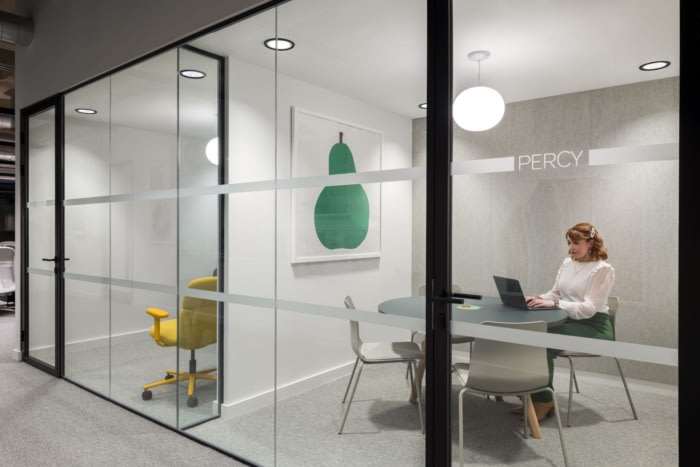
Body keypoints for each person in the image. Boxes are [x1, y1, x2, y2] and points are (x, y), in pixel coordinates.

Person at [516, 222, 616, 421]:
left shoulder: (603, 270)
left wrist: (554, 303)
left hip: (595, 327)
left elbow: (588, 308)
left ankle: (544, 401)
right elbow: (555, 293)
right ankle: (531, 395)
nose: (571, 247)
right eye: (569, 243)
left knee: (540, 340)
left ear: (591, 243)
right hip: (569, 321)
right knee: (530, 334)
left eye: (576, 243)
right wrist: (537, 298)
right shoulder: (567, 263)